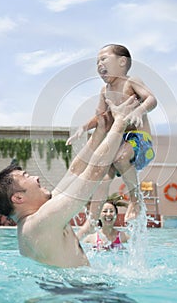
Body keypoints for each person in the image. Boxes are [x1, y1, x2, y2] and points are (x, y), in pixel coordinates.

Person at [0, 96, 138, 268]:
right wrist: (120, 122)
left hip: (70, 289)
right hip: (80, 292)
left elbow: (74, 171)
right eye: (26, 176)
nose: (36, 177)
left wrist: (100, 131)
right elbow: (95, 172)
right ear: (18, 198)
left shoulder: (36, 220)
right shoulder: (39, 223)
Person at [66, 44, 157, 222]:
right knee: (102, 175)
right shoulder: (104, 91)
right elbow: (101, 117)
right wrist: (83, 128)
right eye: (97, 61)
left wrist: (139, 110)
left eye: (104, 59)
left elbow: (152, 99)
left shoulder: (132, 82)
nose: (100, 64)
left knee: (120, 157)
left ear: (122, 62)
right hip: (119, 142)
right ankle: (92, 221)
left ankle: (135, 200)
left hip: (140, 142)